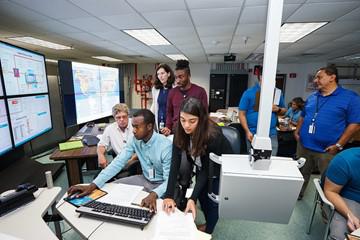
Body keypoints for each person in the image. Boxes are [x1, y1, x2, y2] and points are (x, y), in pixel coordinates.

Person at [68, 109, 172, 211]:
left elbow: (170, 181)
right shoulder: (135, 140)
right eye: (133, 127)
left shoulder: (165, 146)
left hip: (161, 183)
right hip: (144, 179)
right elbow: (118, 162)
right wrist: (92, 185)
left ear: (149, 126)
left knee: (153, 211)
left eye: (137, 127)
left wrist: (154, 194)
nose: (134, 131)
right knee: (110, 189)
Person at [162, 97, 233, 234]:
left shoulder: (213, 135)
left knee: (212, 201)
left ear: (201, 119)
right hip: (202, 164)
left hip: (220, 167)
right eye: (183, 120)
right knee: (202, 195)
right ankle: (207, 223)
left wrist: (192, 199)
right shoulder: (179, 129)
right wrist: (168, 195)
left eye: (192, 121)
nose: (186, 125)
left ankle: (209, 230)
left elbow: (208, 170)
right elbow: (174, 164)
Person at [294, 65, 360, 199]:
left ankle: (327, 211)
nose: (315, 80)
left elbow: (355, 124)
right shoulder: (313, 97)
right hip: (304, 145)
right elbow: (303, 115)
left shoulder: (350, 98)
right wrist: (297, 131)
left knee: (329, 183)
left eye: (319, 77)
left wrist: (339, 145)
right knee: (300, 175)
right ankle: (297, 196)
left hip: (327, 150)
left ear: (332, 77)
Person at [238, 66, 286, 155]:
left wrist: (278, 109)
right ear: (261, 77)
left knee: (271, 159)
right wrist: (247, 131)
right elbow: (241, 114)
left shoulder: (277, 93)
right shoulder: (249, 93)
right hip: (253, 133)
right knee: (253, 159)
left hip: (271, 134)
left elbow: (284, 110)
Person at [163, 60, 208, 136]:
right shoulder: (172, 92)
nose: (177, 81)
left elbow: (204, 114)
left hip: (194, 132)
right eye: (176, 77)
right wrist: (168, 127)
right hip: (176, 132)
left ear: (189, 75)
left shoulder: (200, 91)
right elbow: (169, 112)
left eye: (181, 77)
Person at [324, 147, 360, 240]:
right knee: (340, 235)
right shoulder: (346, 160)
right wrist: (349, 215)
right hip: (348, 197)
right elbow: (330, 191)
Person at [97, 103, 134, 169]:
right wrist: (101, 155)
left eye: (124, 116)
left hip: (136, 160)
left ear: (128, 116)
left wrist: (130, 161)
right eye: (118, 117)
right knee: (98, 177)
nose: (121, 119)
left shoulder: (135, 124)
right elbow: (102, 145)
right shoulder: (110, 129)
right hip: (120, 162)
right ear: (114, 118)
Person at [150, 63, 175, 132]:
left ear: (168, 74)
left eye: (162, 73)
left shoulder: (175, 88)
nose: (160, 76)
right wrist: (148, 116)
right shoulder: (155, 89)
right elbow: (154, 104)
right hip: (160, 120)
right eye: (158, 74)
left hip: (172, 121)